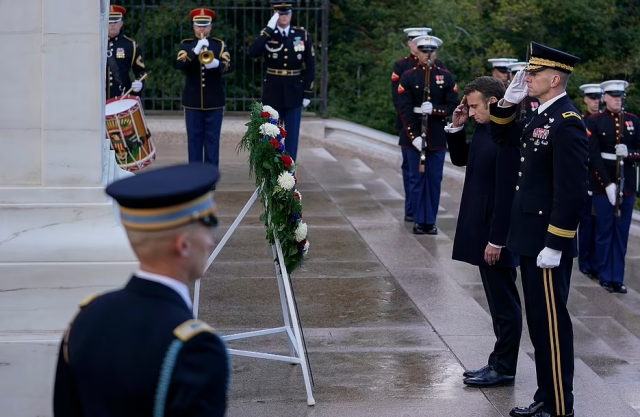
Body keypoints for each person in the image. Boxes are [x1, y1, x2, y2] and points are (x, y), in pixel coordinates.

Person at [53, 163, 229, 416]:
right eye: (207, 228)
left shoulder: (86, 318)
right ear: (183, 245)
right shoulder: (196, 348)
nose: (210, 241)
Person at [489, 42, 588, 417]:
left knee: (551, 326)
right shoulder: (540, 116)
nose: (526, 78)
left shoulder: (567, 122)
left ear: (555, 78)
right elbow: (502, 136)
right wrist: (507, 104)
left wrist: (556, 242)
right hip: (530, 238)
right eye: (527, 73)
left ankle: (558, 406)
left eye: (533, 74)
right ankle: (546, 398)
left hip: (547, 242)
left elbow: (572, 191)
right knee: (540, 325)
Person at [445, 76, 522, 388]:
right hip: (482, 226)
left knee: (505, 305)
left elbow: (507, 195)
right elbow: (462, 158)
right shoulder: (485, 128)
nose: (471, 111)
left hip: (496, 232)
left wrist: (497, 240)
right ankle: (497, 361)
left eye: (475, 106)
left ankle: (504, 367)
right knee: (497, 302)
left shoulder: (509, 135)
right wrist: (457, 126)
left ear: (493, 102)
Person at [397, 35, 458, 235]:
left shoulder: (445, 76)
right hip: (413, 136)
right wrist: (414, 136)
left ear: (436, 53)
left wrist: (434, 109)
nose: (427, 55)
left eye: (431, 51)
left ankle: (429, 221)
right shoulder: (408, 76)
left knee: (433, 181)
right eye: (424, 51)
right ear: (418, 52)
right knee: (416, 180)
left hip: (436, 137)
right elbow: (404, 109)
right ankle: (417, 219)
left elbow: (452, 105)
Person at [586, 80, 640, 294]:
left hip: (626, 186)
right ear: (604, 97)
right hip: (603, 185)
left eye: (620, 96)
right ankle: (605, 276)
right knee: (604, 232)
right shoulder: (595, 121)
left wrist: (630, 153)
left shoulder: (633, 120)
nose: (618, 99)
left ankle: (617, 277)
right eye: (613, 95)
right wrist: (607, 184)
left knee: (621, 234)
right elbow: (593, 156)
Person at [249, 0, 316, 162]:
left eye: (286, 13)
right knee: (271, 134)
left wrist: (307, 92)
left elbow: (311, 65)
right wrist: (268, 30)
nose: (283, 16)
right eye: (280, 13)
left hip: (294, 92)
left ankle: (289, 175)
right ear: (274, 15)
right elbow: (253, 52)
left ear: (291, 14)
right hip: (273, 92)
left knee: (292, 136)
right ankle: (271, 173)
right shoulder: (268, 34)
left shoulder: (301, 35)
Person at [176, 8, 233, 177]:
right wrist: (195, 51)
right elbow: (181, 64)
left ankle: (210, 176)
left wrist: (217, 64)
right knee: (194, 141)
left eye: (205, 26)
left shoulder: (219, 45)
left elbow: (229, 65)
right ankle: (194, 176)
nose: (202, 29)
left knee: (212, 142)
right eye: (198, 25)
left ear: (210, 27)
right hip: (193, 102)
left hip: (214, 101)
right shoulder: (186, 45)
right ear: (193, 26)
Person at [392, 27, 432, 223]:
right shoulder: (401, 66)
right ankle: (411, 208)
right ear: (410, 43)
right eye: (416, 42)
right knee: (410, 170)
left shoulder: (435, 66)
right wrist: (410, 128)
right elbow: (398, 99)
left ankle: (421, 210)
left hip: (429, 125)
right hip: (408, 123)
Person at [577, 83, 602, 280]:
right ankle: (585, 262)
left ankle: (596, 262)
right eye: (592, 98)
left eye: (598, 98)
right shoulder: (582, 121)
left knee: (599, 225)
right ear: (585, 99)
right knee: (586, 224)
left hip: (602, 182)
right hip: (587, 180)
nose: (595, 102)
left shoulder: (602, 121)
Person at [106, 5, 147, 100]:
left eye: (115, 21)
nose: (112, 24)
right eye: (109, 21)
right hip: (98, 100)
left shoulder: (130, 45)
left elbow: (141, 71)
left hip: (121, 98)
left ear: (121, 23)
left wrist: (140, 83)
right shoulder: (96, 44)